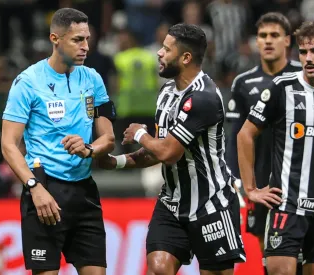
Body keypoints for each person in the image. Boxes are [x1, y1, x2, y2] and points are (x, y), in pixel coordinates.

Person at [98, 23, 245, 275]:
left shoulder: (204, 97)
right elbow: (158, 150)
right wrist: (117, 162)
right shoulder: (166, 92)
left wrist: (140, 133)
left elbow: (168, 151)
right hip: (172, 203)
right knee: (158, 268)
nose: (159, 53)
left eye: (166, 49)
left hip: (210, 204)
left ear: (186, 57)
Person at [237, 18, 314, 275]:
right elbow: (245, 135)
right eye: (303, 51)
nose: (308, 57)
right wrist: (250, 188)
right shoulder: (282, 88)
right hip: (287, 205)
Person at [1, 8, 116, 275]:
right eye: (77, 40)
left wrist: (89, 149)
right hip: (45, 189)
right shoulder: (28, 82)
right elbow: (8, 144)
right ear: (56, 39)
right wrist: (34, 187)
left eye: (87, 39)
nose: (86, 46)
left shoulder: (93, 79)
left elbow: (108, 139)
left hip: (84, 192)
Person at [224, 12, 302, 274]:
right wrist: (237, 180)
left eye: (275, 35)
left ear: (287, 41)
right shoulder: (243, 83)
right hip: (261, 184)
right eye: (263, 36)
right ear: (256, 41)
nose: (268, 41)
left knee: (306, 260)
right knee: (270, 254)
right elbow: (236, 136)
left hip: (299, 183)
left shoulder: (304, 77)